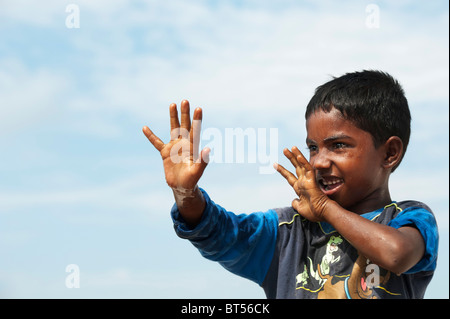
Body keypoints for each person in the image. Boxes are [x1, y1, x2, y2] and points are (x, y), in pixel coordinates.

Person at [142, 70, 439, 299]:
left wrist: (325, 209)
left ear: (390, 153)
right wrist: (186, 195)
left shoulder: (409, 219)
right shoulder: (288, 231)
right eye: (313, 147)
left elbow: (397, 255)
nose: (319, 161)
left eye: (338, 146)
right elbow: (222, 235)